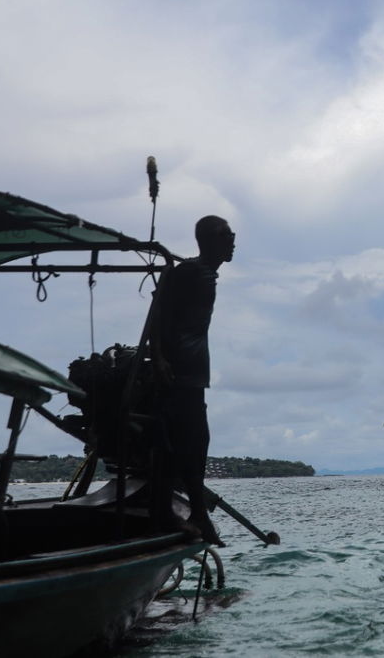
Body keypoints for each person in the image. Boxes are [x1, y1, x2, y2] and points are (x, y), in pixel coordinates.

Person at [147, 215, 235, 546]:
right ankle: (174, 513)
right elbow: (157, 313)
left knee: (196, 443)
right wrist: (158, 358)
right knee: (180, 444)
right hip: (179, 371)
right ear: (209, 240)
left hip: (194, 372)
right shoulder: (189, 272)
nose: (233, 240)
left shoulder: (205, 274)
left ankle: (197, 513)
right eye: (226, 235)